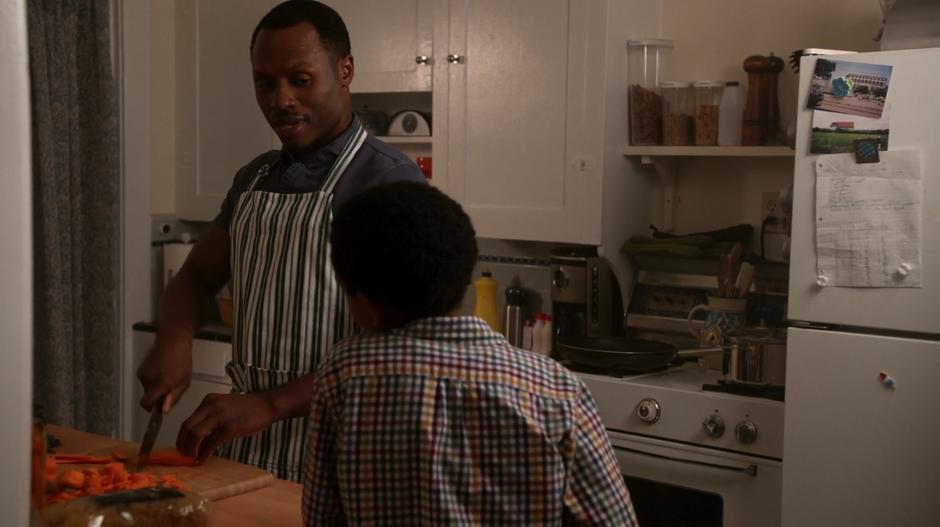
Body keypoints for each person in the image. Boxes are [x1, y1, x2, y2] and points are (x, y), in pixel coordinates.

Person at [136, 0, 426, 482]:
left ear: (345, 69)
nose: (281, 99)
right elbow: (195, 277)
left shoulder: (389, 182)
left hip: (345, 455)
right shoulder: (253, 179)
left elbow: (398, 349)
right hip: (247, 449)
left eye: (300, 79)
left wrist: (269, 404)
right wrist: (173, 340)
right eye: (265, 83)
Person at [304, 181, 638, 525]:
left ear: (363, 302)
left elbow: (322, 518)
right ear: (466, 278)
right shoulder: (557, 390)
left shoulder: (345, 375)